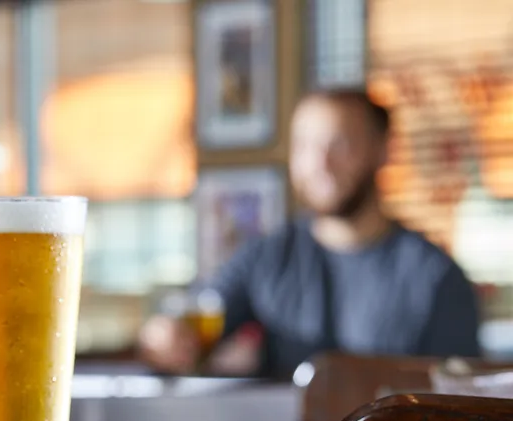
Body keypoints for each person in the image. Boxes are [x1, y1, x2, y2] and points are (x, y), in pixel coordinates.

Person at [140, 88, 482, 379]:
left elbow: (456, 406)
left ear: (382, 151)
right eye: (305, 146)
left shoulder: (435, 278)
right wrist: (167, 338)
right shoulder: (268, 257)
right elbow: (200, 321)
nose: (320, 164)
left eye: (340, 145)